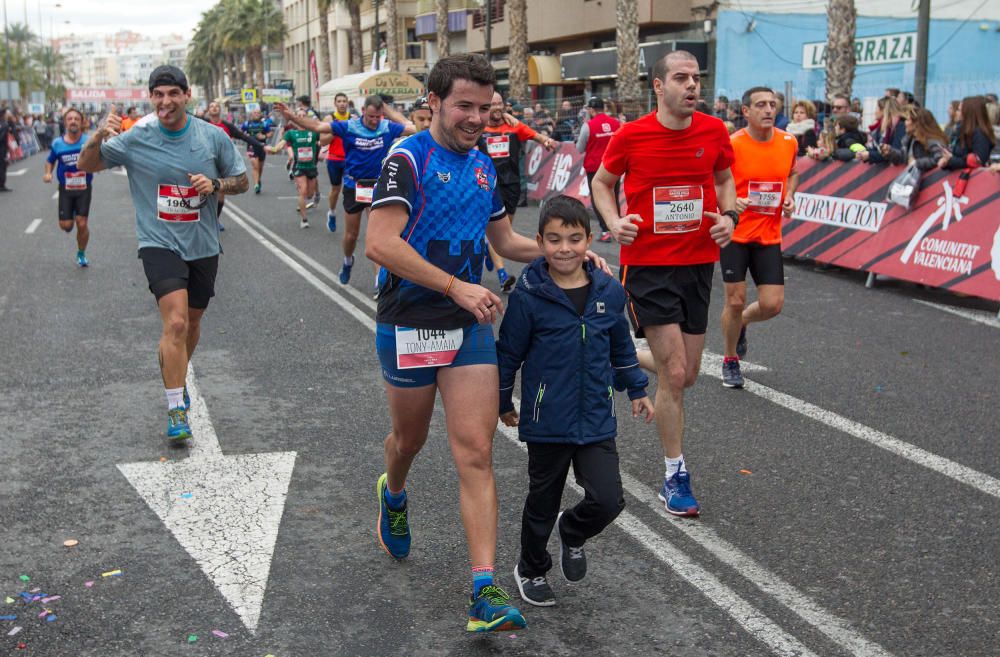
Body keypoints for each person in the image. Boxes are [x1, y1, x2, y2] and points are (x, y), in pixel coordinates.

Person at [364, 53, 609, 633]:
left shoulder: (481, 166)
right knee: (409, 439)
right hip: (409, 320)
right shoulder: (408, 159)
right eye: (464, 106)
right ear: (434, 102)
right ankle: (392, 492)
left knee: (475, 450)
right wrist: (457, 286)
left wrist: (562, 252)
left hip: (469, 326)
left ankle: (484, 589)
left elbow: (503, 238)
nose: (476, 117)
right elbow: (380, 243)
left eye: (484, 106)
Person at [590, 50, 737, 517]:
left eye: (696, 78)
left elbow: (726, 179)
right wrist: (614, 222)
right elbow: (601, 182)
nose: (692, 85)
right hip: (649, 266)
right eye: (681, 78)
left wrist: (730, 217)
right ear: (658, 86)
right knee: (673, 374)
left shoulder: (713, 131)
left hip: (698, 264)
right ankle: (675, 475)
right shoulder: (632, 136)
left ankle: (619, 354)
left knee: (688, 374)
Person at [77, 65, 249, 442]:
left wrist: (216, 183)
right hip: (158, 242)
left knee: (193, 321)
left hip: (202, 244)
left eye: (173, 93)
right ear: (150, 98)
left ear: (187, 95)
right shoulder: (137, 136)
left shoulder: (211, 137)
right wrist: (97, 136)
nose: (166, 101)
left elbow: (242, 180)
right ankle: (176, 407)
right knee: (175, 323)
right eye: (159, 95)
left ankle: (178, 374)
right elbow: (85, 165)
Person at [497, 195, 653, 608]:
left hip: (596, 417)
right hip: (547, 419)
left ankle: (573, 531)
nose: (564, 248)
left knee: (608, 498)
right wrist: (501, 401)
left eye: (573, 238)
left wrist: (636, 388)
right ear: (540, 241)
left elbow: (621, 346)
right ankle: (530, 568)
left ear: (588, 241)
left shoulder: (607, 290)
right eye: (554, 239)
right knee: (542, 502)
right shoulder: (529, 295)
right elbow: (509, 353)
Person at [274, 95, 415, 286]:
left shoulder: (386, 127)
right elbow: (316, 127)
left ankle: (378, 281)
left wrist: (386, 109)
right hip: (353, 186)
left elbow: (412, 127)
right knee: (352, 235)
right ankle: (348, 261)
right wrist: (291, 116)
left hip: (378, 186)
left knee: (376, 237)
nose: (374, 121)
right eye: (371, 116)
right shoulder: (350, 126)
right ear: (363, 111)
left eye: (378, 116)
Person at [719, 87, 798, 388]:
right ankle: (729, 359)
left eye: (773, 104)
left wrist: (789, 195)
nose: (768, 109)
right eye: (761, 105)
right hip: (736, 233)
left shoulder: (788, 141)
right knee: (735, 300)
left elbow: (793, 172)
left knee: (772, 305)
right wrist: (729, 202)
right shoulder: (732, 143)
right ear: (746, 111)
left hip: (768, 234)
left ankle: (743, 324)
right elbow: (716, 180)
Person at [479, 91, 557, 291]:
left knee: (504, 232)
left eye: (499, 103)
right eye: (492, 103)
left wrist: (546, 141)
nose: (496, 107)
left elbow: (536, 135)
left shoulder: (513, 126)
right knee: (495, 232)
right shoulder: (479, 128)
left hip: (511, 184)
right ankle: (502, 273)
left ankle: (488, 248)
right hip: (488, 184)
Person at [43, 108, 95, 267]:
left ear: (81, 122)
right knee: (66, 226)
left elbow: (98, 156)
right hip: (66, 189)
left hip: (84, 188)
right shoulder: (58, 143)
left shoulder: (88, 141)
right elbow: (50, 160)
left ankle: (81, 253)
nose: (73, 121)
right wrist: (48, 173)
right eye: (70, 119)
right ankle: (71, 214)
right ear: (65, 122)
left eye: (76, 119)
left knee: (82, 223)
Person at [577, 96, 621, 243]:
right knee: (613, 197)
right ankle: (617, 228)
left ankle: (605, 230)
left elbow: (579, 148)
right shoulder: (617, 123)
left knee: (598, 199)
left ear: (591, 109)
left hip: (595, 168)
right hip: (614, 166)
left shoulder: (588, 125)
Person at [268, 109, 320, 228]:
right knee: (303, 191)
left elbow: (323, 140)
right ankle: (304, 219)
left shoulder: (313, 132)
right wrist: (274, 149)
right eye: (299, 116)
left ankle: (308, 201)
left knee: (310, 194)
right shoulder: (291, 133)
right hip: (299, 166)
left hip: (311, 166)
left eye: (304, 115)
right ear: (295, 119)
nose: (301, 118)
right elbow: (282, 143)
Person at [881, 106, 948, 170]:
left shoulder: (933, 140)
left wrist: (917, 163)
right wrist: (890, 152)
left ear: (916, 123)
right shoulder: (910, 139)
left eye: (907, 120)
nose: (905, 123)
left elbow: (941, 159)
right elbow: (904, 158)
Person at [939, 95, 995, 170]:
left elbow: (977, 161)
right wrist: (947, 161)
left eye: (959, 110)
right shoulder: (963, 131)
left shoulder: (980, 134)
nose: (957, 113)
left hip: (973, 179)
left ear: (968, 112)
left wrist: (951, 160)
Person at [323, 92, 352, 231]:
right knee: (335, 189)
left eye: (344, 101)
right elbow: (322, 141)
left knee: (349, 190)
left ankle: (350, 224)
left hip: (349, 160)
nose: (342, 103)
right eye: (339, 101)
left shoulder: (353, 119)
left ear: (347, 103)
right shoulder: (329, 119)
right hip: (334, 159)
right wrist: (335, 131)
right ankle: (332, 212)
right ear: (335, 103)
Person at [241, 108, 274, 194]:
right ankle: (256, 185)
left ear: (260, 114)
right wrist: (245, 135)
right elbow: (240, 132)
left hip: (262, 147)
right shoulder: (247, 124)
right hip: (251, 147)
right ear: (251, 114)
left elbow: (271, 133)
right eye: (254, 113)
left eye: (258, 113)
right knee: (255, 166)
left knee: (260, 167)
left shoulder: (264, 124)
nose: (256, 114)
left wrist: (264, 136)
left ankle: (258, 180)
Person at [0, 109, 13, 192]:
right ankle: (2, 184)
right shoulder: (5, 124)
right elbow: (2, 137)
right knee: (2, 167)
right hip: (2, 149)